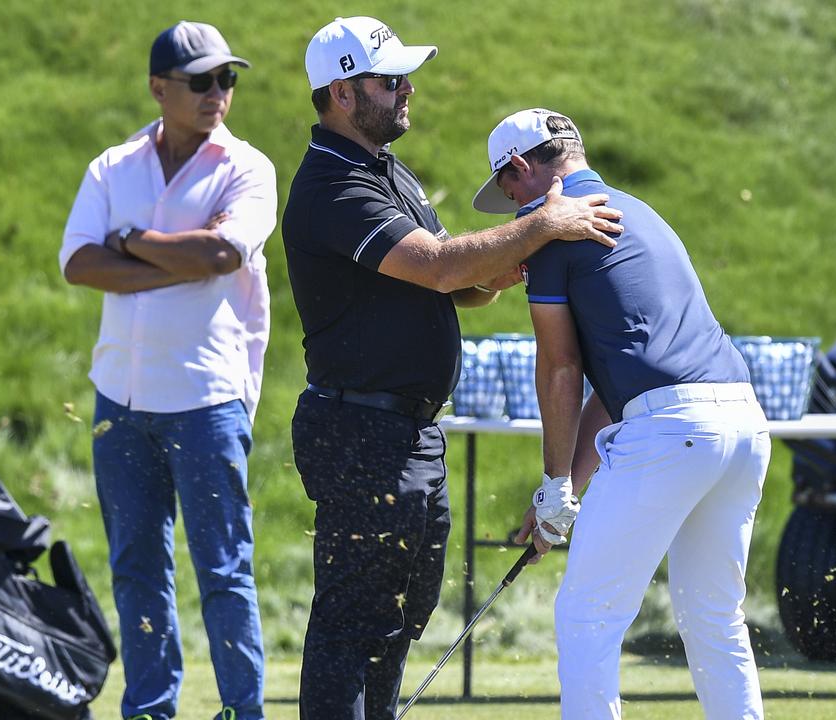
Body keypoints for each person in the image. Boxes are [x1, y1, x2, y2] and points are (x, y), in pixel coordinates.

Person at [282, 18, 625, 720]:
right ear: (343, 93)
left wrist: (504, 266)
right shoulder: (331, 186)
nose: (408, 89)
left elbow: (460, 282)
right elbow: (438, 268)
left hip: (406, 436)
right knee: (353, 626)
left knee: (400, 616)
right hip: (360, 432)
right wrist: (544, 222)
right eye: (390, 79)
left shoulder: (383, 170)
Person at [487, 108, 769, 719]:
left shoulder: (551, 231)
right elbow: (613, 394)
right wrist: (562, 493)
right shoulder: (645, 212)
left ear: (520, 168)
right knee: (714, 620)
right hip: (743, 424)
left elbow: (560, 367)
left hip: (672, 431)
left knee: (586, 613)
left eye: (507, 191)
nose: (512, 209)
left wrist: (554, 486)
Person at [58, 20, 274, 720]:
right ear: (158, 87)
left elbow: (220, 257)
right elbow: (78, 264)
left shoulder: (247, 167)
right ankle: (150, 711)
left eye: (228, 79)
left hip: (208, 399)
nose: (219, 93)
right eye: (201, 80)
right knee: (137, 572)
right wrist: (169, 262)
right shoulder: (111, 167)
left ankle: (245, 713)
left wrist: (133, 244)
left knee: (223, 572)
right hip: (118, 401)